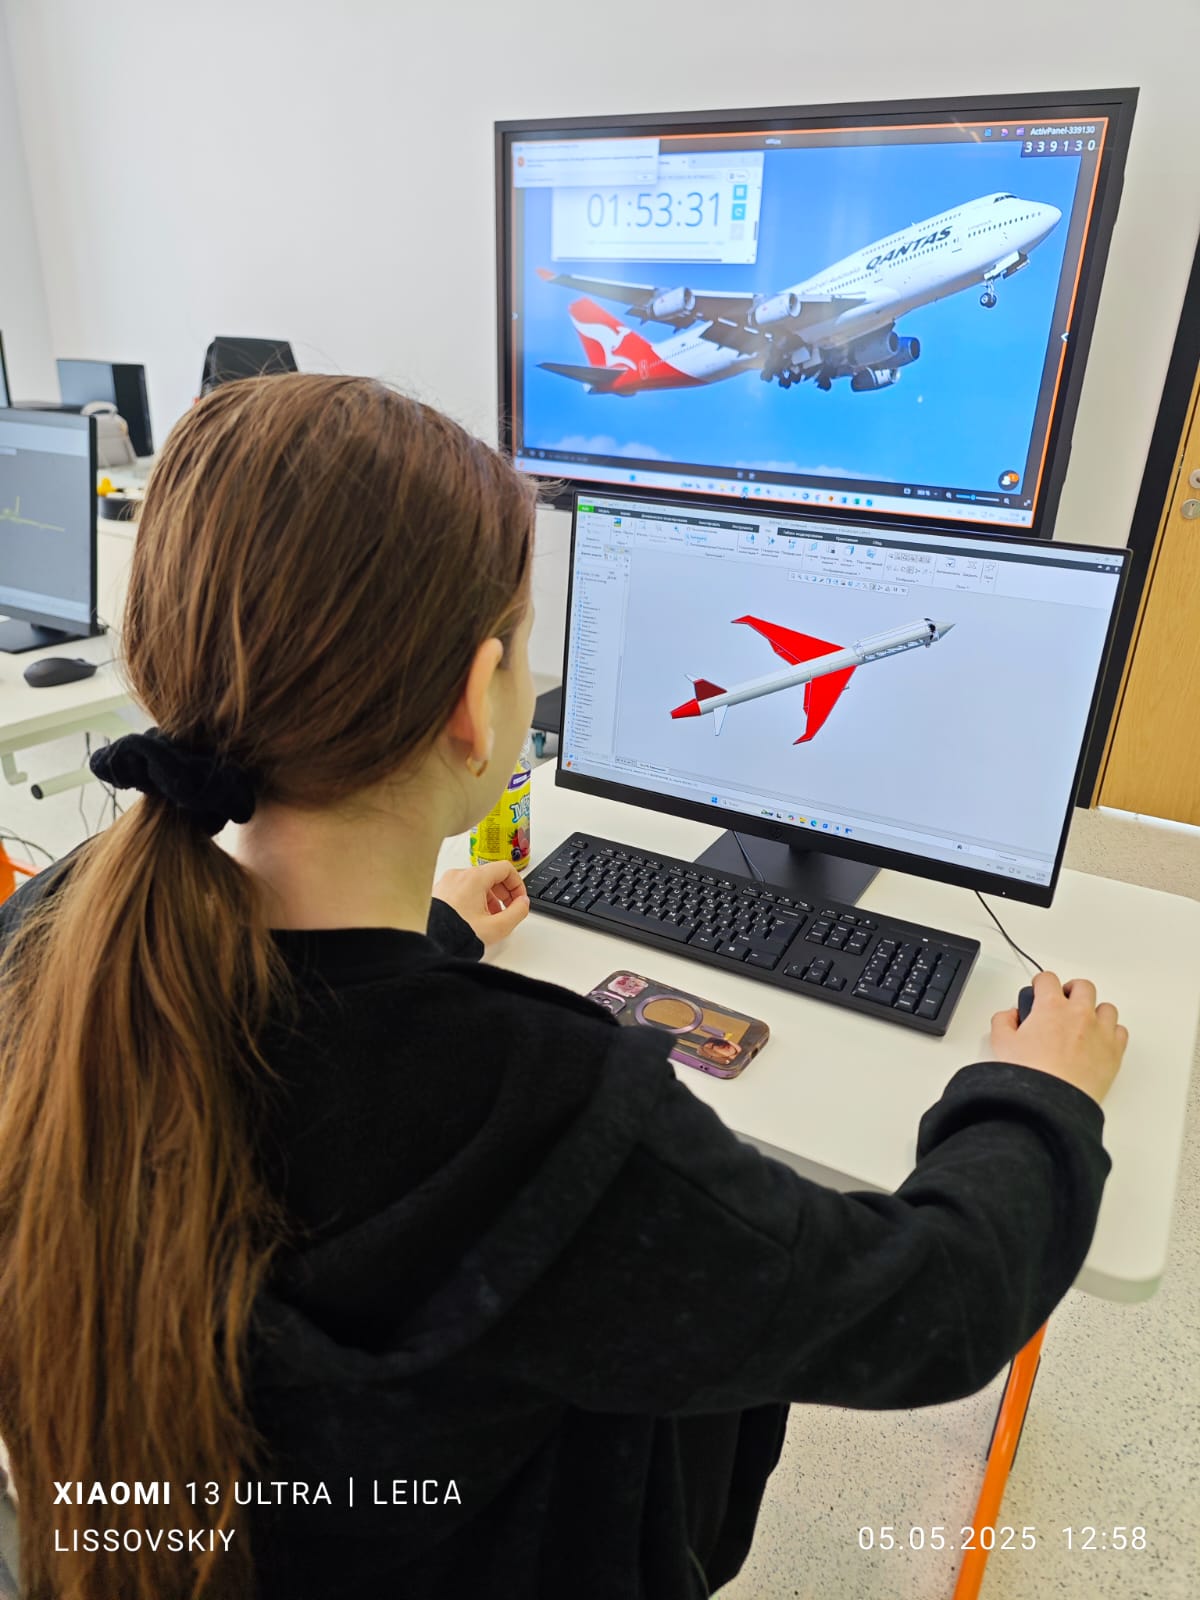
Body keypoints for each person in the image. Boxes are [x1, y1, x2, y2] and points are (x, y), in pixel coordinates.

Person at [0, 374, 1126, 1600]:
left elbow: (325, 1059)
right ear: (471, 702)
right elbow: (934, 1307)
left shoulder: (53, 941)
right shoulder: (552, 1110)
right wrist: (1036, 1098)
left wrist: (428, 934)